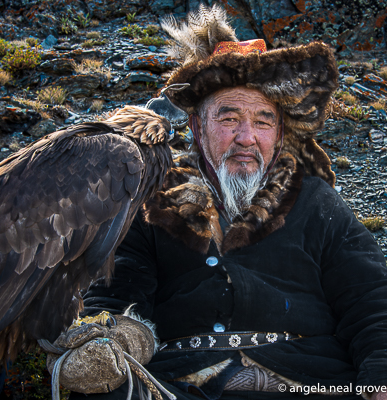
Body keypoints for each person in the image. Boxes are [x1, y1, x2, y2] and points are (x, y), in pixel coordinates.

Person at [46, 5, 387, 400]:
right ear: (196, 126)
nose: (247, 137)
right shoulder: (153, 204)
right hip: (176, 385)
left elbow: (372, 301)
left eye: (262, 121)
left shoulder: (315, 200)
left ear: (278, 133)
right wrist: (109, 342)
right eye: (229, 119)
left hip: (306, 381)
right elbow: (116, 295)